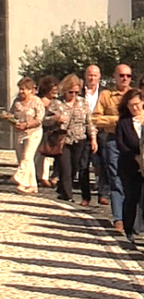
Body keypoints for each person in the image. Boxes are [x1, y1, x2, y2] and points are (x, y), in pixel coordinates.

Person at [93, 64, 134, 232]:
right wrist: (116, 121)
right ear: (115, 76)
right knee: (116, 178)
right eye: (122, 75)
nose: (125, 78)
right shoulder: (106, 95)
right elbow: (96, 118)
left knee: (131, 180)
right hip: (113, 141)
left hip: (132, 142)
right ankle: (119, 218)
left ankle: (132, 218)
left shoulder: (134, 95)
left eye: (128, 76)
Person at [44, 75, 97, 203]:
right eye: (70, 92)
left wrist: (93, 138)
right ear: (65, 90)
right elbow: (45, 121)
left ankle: (62, 189)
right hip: (63, 139)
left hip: (79, 139)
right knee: (65, 168)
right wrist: (55, 119)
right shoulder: (56, 103)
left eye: (76, 92)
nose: (73, 95)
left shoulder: (82, 102)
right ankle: (68, 196)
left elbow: (89, 122)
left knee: (74, 167)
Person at [115, 89, 144, 243]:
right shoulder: (123, 122)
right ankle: (128, 229)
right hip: (130, 165)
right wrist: (135, 157)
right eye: (131, 106)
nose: (135, 108)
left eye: (137, 104)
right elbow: (121, 144)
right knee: (131, 197)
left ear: (143, 101)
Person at [8, 77, 45, 194]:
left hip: (33, 133)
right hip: (19, 133)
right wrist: (12, 121)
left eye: (23, 89)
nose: (21, 92)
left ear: (30, 90)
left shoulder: (36, 101)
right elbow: (11, 115)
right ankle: (32, 185)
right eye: (20, 89)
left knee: (27, 156)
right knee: (24, 159)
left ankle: (20, 178)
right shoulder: (16, 102)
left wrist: (27, 125)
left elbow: (39, 119)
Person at [80, 64, 108, 206]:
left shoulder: (105, 93)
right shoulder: (78, 92)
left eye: (95, 75)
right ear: (85, 76)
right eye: (90, 75)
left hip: (101, 130)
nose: (92, 78)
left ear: (99, 77)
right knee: (83, 164)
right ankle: (86, 196)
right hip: (83, 131)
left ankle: (102, 194)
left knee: (104, 163)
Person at [36, 76, 59, 188]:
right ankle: (42, 176)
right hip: (40, 129)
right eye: (53, 90)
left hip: (53, 131)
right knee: (41, 154)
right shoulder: (38, 101)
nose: (55, 92)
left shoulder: (56, 102)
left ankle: (49, 176)